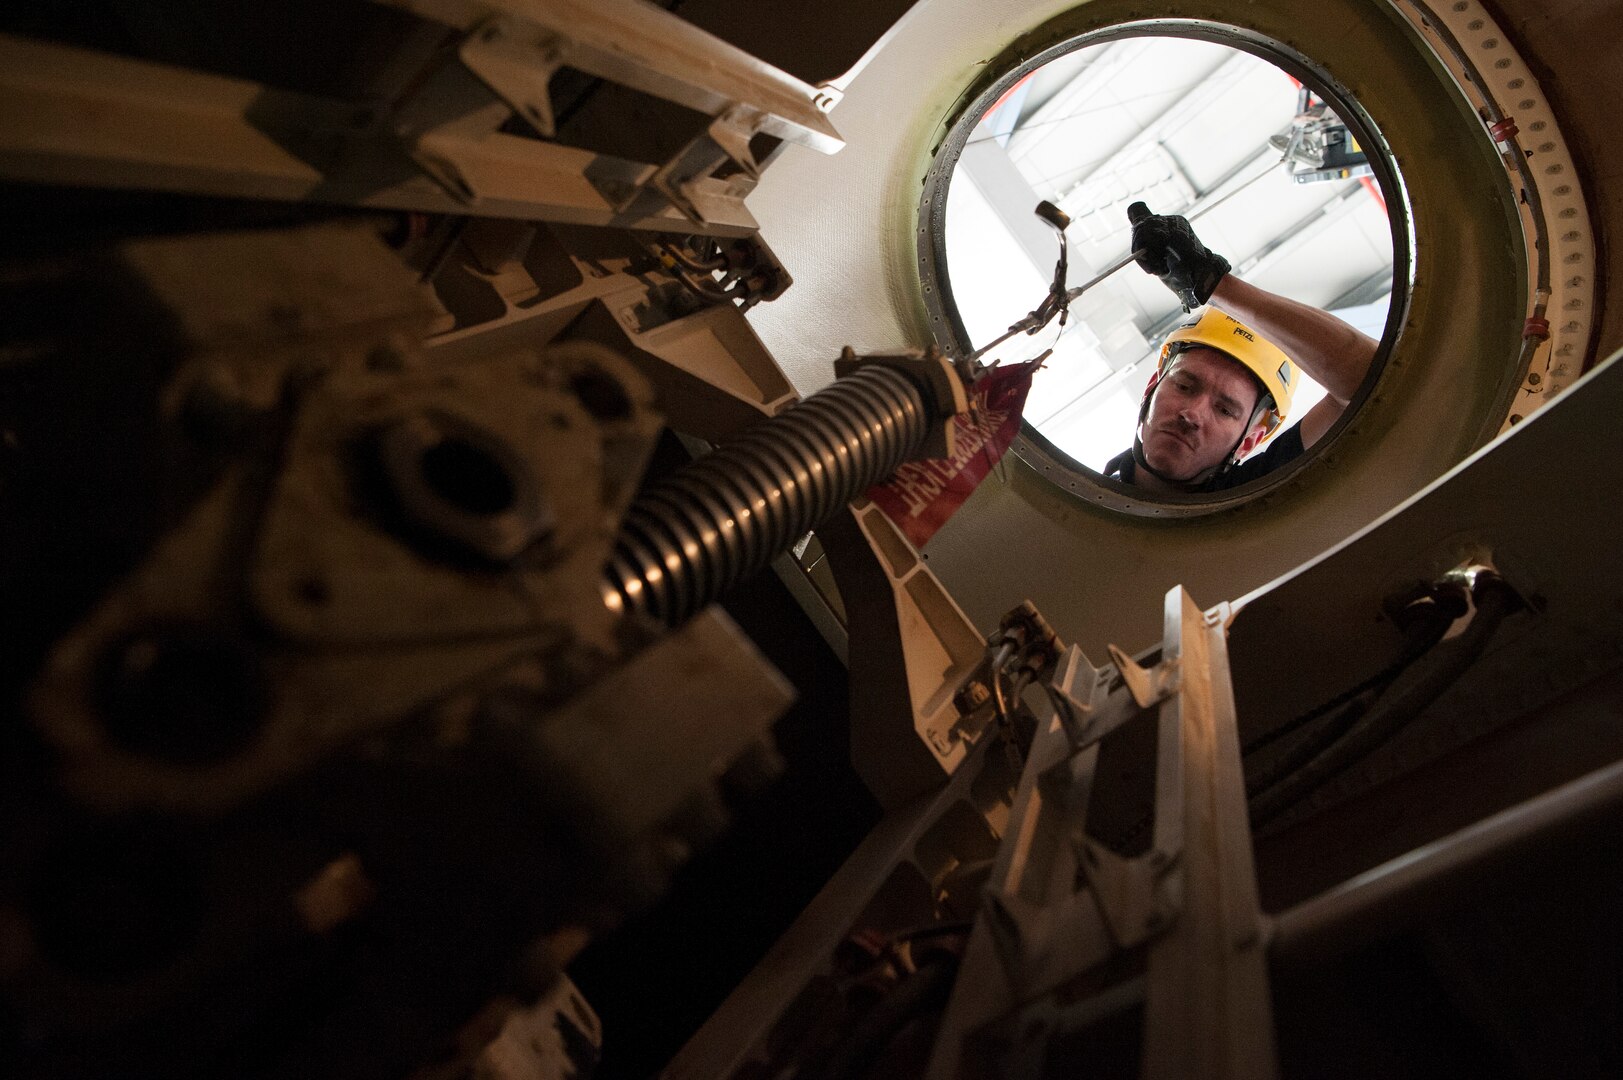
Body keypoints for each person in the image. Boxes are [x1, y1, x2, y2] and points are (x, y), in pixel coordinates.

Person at [1101, 202, 1379, 494]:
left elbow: (1373, 378)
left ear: (1248, 442)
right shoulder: (1083, 496)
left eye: (1224, 410)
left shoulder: (1254, 499)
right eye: (1184, 386)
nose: (1192, 414)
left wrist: (1213, 282)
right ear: (1150, 389)